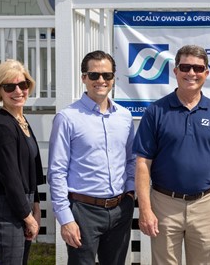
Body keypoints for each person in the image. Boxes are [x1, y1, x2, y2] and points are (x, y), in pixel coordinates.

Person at [134, 44, 210, 265]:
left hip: (205, 204)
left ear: (206, 73)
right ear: (175, 71)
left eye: (198, 68)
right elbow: (143, 163)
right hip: (164, 204)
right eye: (185, 67)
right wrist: (145, 209)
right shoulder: (156, 112)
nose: (191, 73)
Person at [48, 50, 136, 265]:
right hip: (83, 210)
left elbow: (130, 160)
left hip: (119, 208)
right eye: (94, 75)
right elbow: (56, 171)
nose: (101, 80)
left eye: (107, 75)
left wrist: (131, 194)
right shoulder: (67, 118)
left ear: (113, 78)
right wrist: (65, 218)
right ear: (84, 78)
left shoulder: (124, 117)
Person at [0, 59, 44, 265]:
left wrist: (35, 205)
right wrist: (27, 216)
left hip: (21, 205)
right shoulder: (2, 127)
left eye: (23, 85)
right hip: (6, 210)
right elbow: (11, 178)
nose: (18, 91)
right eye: (9, 86)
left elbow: (30, 170)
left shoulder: (21, 121)